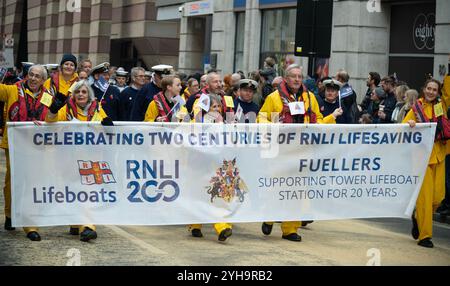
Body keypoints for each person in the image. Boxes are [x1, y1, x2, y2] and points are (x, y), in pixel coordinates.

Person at [257, 64, 342, 241]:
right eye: (293, 76)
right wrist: (273, 126)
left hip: (302, 151)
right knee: (276, 188)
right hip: (281, 151)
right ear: (286, 78)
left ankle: (290, 229)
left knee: (296, 190)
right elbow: (262, 116)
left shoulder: (310, 98)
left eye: (299, 77)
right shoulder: (274, 97)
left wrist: (323, 122)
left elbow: (317, 118)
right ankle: (269, 217)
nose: (297, 80)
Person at [45, 80, 112, 241]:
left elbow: (104, 128)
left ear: (89, 94)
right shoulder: (66, 108)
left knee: (88, 193)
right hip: (68, 158)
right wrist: (54, 109)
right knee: (72, 191)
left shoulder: (97, 109)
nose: (80, 94)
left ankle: (88, 227)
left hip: (91, 159)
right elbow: (50, 122)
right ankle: (75, 223)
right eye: (77, 92)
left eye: (83, 92)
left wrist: (108, 125)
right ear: (73, 95)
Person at [0, 65, 50, 241]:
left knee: (32, 182)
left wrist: (48, 118)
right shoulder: (13, 90)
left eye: (38, 76)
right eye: (31, 75)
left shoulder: (48, 96)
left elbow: (53, 119)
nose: (33, 78)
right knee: (12, 181)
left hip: (36, 146)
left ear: (44, 80)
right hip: (14, 143)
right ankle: (10, 215)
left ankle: (29, 222)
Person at [403, 78, 448, 248]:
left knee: (438, 198)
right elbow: (403, 127)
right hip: (422, 159)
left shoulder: (440, 106)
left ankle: (417, 217)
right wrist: (410, 124)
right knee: (425, 199)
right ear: (424, 89)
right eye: (428, 88)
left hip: (439, 155)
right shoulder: (417, 107)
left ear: (438, 92)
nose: (431, 92)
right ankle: (425, 236)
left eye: (434, 89)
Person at [189, 93, 233, 241]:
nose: (217, 109)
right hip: (199, 164)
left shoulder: (222, 123)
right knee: (198, 194)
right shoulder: (197, 123)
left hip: (216, 165)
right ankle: (195, 224)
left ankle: (222, 226)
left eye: (219, 106)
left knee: (217, 196)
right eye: (214, 106)